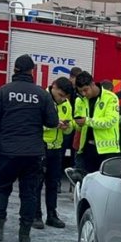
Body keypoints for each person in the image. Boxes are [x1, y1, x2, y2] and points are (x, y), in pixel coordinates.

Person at [0, 54, 59, 242]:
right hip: (33, 153)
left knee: (2, 190)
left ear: (14, 70)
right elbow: (52, 122)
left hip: (7, 151)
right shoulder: (42, 94)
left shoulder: (4, 92)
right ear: (32, 71)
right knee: (29, 193)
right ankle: (24, 234)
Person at [35, 77, 76, 230]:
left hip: (57, 147)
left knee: (53, 183)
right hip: (41, 146)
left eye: (65, 97)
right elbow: (35, 123)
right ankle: (36, 215)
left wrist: (67, 127)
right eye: (60, 95)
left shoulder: (66, 104)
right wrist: (53, 125)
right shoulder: (42, 99)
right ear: (53, 87)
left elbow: (71, 126)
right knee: (36, 183)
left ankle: (51, 214)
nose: (62, 99)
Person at [66, 72, 120, 183]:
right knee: (85, 185)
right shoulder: (79, 100)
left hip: (107, 150)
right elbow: (79, 126)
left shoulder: (110, 98)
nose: (83, 93)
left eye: (85, 90)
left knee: (105, 185)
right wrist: (70, 124)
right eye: (80, 91)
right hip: (86, 148)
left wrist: (87, 121)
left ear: (92, 84)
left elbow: (110, 121)